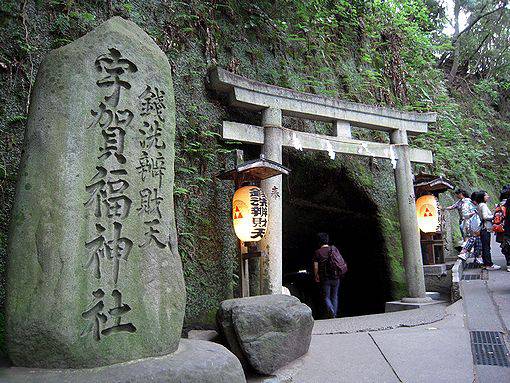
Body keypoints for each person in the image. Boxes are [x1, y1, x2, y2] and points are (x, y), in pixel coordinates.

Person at [313, 233, 344, 319]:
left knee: (326, 296)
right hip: (336, 276)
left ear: (319, 241)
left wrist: (316, 275)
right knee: (335, 296)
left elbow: (316, 267)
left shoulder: (317, 252)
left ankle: (331, 310)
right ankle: (334, 314)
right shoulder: (334, 249)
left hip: (325, 278)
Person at [474, 191, 500, 270]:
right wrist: (494, 217)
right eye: (486, 195)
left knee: (485, 247)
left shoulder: (479, 205)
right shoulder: (483, 205)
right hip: (485, 229)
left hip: (482, 228)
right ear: (482, 197)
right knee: (486, 247)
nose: (488, 196)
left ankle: (486, 264)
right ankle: (489, 264)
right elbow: (485, 217)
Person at [458, 193, 483, 264]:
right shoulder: (467, 204)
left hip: (477, 225)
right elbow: (465, 215)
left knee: (477, 240)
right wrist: (473, 213)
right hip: (469, 225)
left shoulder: (477, 204)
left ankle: (477, 257)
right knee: (474, 238)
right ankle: (465, 252)